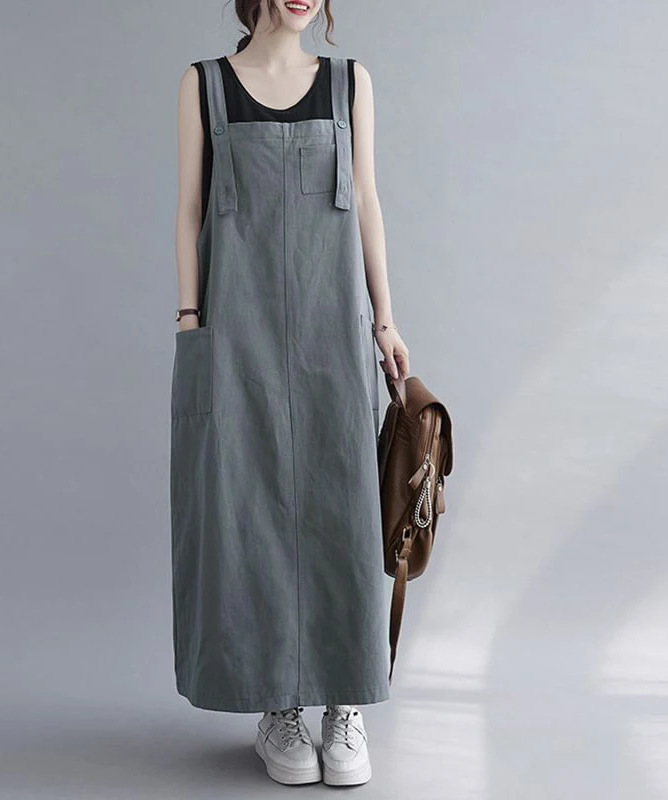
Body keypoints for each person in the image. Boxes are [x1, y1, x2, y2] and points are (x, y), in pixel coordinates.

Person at [171, 0, 409, 787]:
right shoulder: (204, 84)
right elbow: (189, 209)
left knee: (342, 505)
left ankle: (345, 704)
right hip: (235, 328)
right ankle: (278, 705)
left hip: (330, 325)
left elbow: (367, 200)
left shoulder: (349, 82)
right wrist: (191, 321)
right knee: (248, 508)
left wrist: (385, 320)